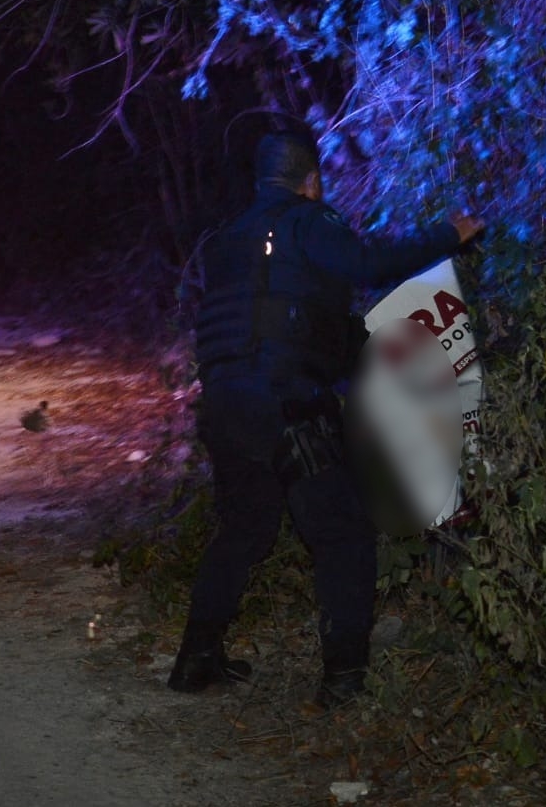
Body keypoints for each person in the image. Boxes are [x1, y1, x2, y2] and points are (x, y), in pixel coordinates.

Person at [169, 129, 484, 706]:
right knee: (342, 535)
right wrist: (449, 235)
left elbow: (271, 313)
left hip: (224, 405)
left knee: (244, 529)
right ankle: (343, 683)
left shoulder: (224, 239)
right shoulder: (308, 222)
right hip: (286, 404)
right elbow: (368, 264)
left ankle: (195, 658)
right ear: (310, 181)